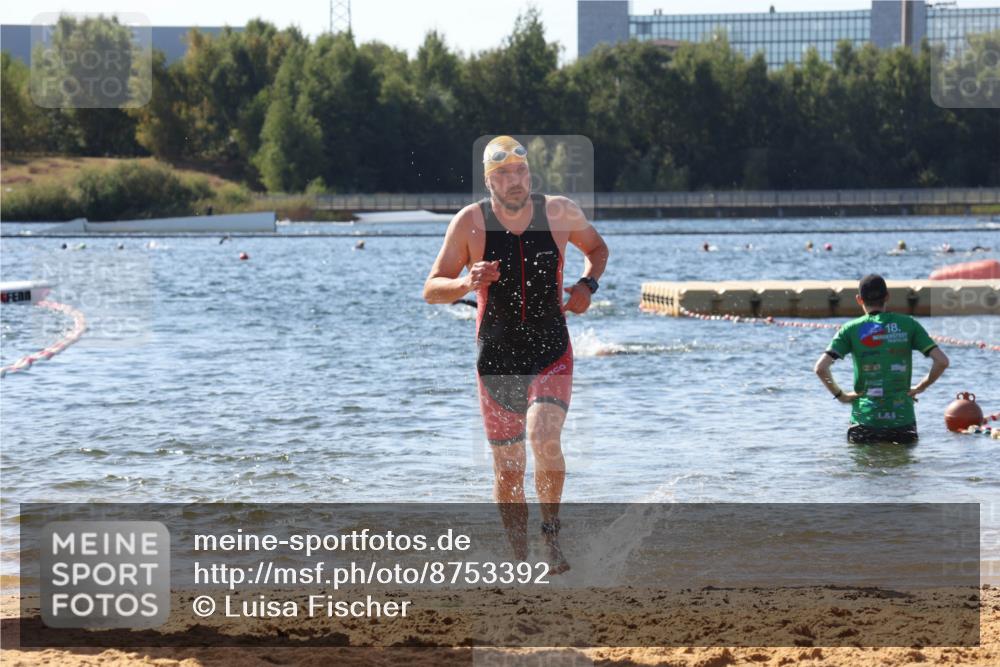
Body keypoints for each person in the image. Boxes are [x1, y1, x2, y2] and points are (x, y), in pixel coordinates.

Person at [423, 136, 609, 573]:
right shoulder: (470, 224)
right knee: (508, 471)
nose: (514, 182)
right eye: (503, 175)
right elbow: (432, 289)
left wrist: (587, 286)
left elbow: (598, 250)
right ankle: (518, 560)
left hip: (550, 349)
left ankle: (551, 539)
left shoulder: (559, 212)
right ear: (489, 181)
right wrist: (467, 283)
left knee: (544, 435)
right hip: (497, 358)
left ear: (530, 174)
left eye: (520, 172)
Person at [813, 274, 949, 445]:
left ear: (859, 300)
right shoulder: (908, 324)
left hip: (864, 421)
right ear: (887, 297)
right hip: (902, 421)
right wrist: (921, 387)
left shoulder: (850, 329)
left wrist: (841, 396)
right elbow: (942, 361)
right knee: (902, 470)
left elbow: (820, 368)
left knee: (864, 470)